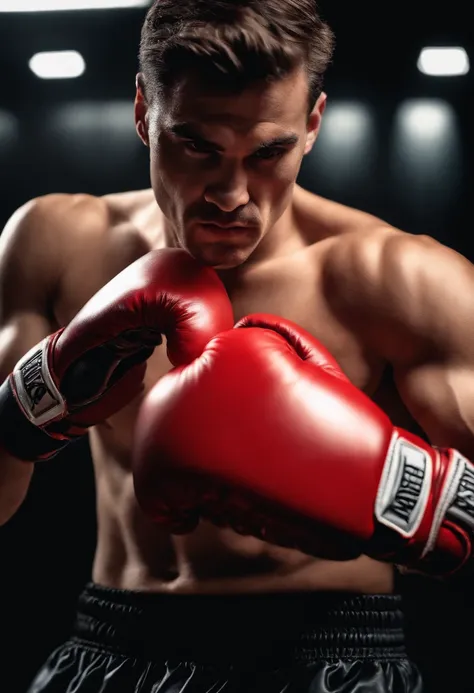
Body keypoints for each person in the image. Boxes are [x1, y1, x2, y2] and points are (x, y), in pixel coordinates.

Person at [1, 0, 472, 690]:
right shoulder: (55, 243)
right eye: (197, 145)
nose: (231, 192)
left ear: (312, 124)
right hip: (110, 645)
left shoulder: (397, 280)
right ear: (143, 112)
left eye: (269, 152)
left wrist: (413, 497)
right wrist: (25, 411)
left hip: (326, 660)